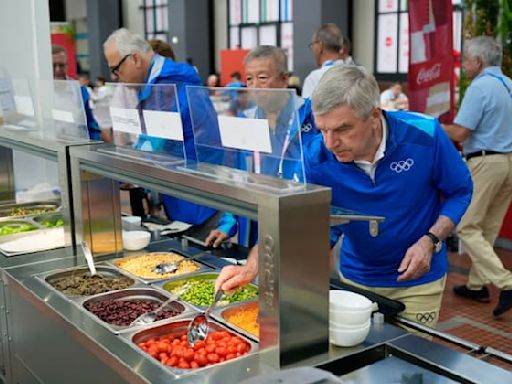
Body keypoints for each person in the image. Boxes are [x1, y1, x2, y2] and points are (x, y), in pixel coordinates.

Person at [216, 65, 473, 328]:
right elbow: (290, 220)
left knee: (412, 363)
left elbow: (460, 191)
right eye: (322, 130)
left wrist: (430, 240)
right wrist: (252, 267)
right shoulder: (315, 156)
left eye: (342, 129)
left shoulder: (425, 134)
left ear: (374, 116)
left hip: (419, 282)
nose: (330, 143)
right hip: (354, 278)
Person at [103, 28, 218, 235]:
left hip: (197, 191)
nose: (117, 77)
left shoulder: (167, 84)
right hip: (185, 186)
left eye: (116, 69)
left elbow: (155, 139)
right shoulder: (158, 82)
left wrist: (127, 170)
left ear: (135, 59)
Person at [205, 46, 319, 248]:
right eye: (249, 79)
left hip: (298, 219)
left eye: (263, 78)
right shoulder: (246, 120)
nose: (255, 86)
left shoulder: (311, 116)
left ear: (284, 79)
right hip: (256, 220)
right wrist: (227, 224)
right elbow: (237, 177)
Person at [442, 36, 512, 317]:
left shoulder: (480, 87)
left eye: (465, 60)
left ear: (478, 61)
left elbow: (460, 133)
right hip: (509, 161)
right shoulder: (510, 85)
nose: (463, 65)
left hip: (486, 162)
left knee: (467, 226)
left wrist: (430, 124)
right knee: (488, 227)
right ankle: (476, 285)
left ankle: (506, 282)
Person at [52, 44, 101, 140]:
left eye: (61, 65)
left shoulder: (79, 92)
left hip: (75, 147)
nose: (57, 70)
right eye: (53, 65)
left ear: (66, 65)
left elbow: (91, 125)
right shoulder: (42, 92)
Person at [301, 23, 344, 99]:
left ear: (320, 46)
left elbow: (307, 110)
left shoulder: (314, 78)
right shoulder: (358, 74)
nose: (312, 49)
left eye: (312, 45)